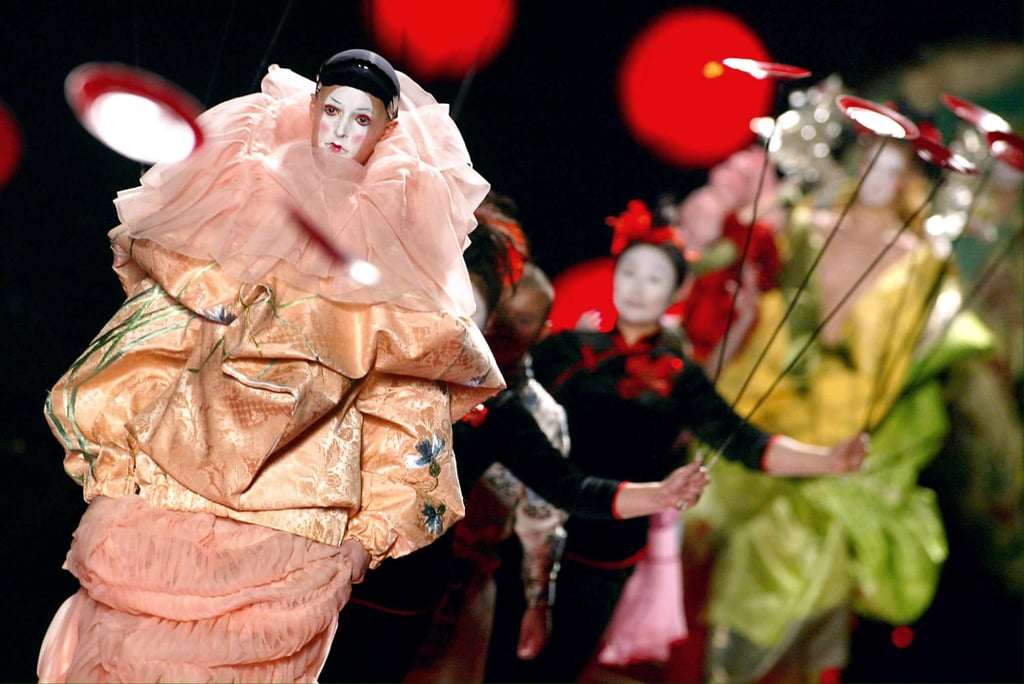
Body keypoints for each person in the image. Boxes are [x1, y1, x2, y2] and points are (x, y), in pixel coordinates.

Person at [37, 49, 507, 683]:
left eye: (359, 119)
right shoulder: (233, 215)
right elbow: (153, 345)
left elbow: (400, 402)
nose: (340, 131)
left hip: (296, 520)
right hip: (162, 495)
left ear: (386, 132)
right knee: (120, 653)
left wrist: (369, 536)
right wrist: (114, 463)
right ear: (310, 109)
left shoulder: (394, 268)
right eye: (332, 111)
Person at [319, 202, 710, 683]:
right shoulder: (373, 361)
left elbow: (566, 486)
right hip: (314, 569)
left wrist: (659, 493)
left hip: (402, 596)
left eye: (479, 316)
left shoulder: (498, 411)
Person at [516, 203, 870, 683]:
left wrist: (828, 460)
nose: (638, 287)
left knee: (560, 665)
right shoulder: (564, 350)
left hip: (607, 543)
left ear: (677, 291)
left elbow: (744, 441)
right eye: (631, 273)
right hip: (531, 529)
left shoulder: (680, 379)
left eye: (654, 279)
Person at [696, 136, 995, 682]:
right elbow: (757, 295)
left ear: (910, 176)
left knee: (803, 558)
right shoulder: (808, 221)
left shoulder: (923, 260)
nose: (878, 175)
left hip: (847, 427)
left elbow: (915, 355)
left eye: (894, 165)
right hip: (762, 403)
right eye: (871, 159)